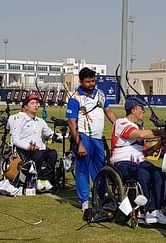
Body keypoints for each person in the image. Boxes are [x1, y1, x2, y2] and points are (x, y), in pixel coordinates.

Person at [110, 97, 166, 225]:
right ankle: (146, 210)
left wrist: (161, 143)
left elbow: (146, 151)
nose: (143, 110)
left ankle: (155, 210)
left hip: (139, 160)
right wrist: (161, 132)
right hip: (122, 161)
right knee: (143, 174)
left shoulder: (137, 126)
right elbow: (140, 135)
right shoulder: (121, 123)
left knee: (159, 173)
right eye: (141, 108)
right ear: (133, 110)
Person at [66, 67, 117, 214]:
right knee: (82, 169)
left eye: (93, 81)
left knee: (100, 169)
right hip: (84, 136)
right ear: (81, 81)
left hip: (97, 138)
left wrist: (121, 127)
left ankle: (102, 196)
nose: (91, 84)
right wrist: (79, 143)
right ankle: (85, 200)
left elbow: (109, 112)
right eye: (88, 81)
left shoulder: (100, 94)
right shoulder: (75, 98)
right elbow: (71, 122)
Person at [7, 94, 58, 192]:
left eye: (37, 103)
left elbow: (50, 134)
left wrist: (64, 135)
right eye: (33, 103)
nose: (36, 105)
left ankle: (44, 179)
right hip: (25, 151)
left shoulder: (41, 121)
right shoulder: (19, 121)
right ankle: (36, 180)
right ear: (25, 107)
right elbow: (15, 140)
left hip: (39, 150)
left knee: (53, 153)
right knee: (38, 154)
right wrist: (27, 147)